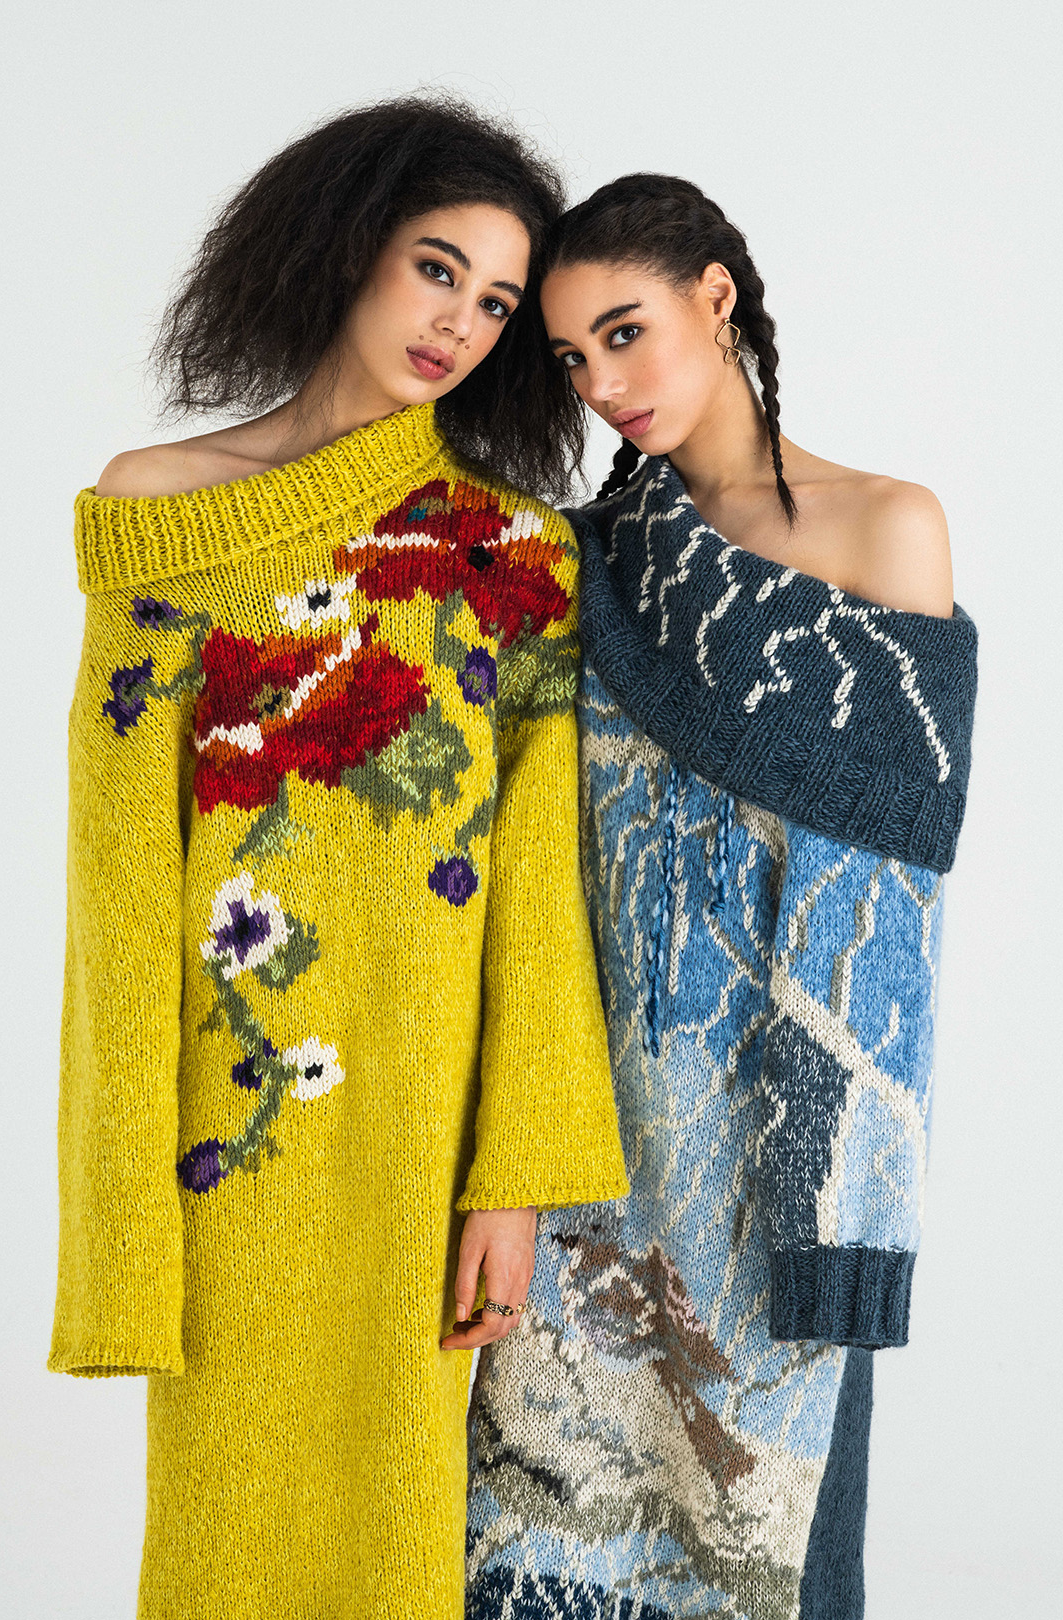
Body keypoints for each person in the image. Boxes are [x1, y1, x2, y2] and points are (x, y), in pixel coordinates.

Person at [49, 97, 629, 1620]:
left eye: (495, 302)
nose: (458, 324)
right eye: (438, 269)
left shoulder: (516, 554)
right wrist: (124, 1228)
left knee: (398, 1545)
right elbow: (119, 891)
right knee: (220, 1542)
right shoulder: (160, 511)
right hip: (235, 1131)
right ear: (346, 244)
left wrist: (517, 1178)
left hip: (425, 1143)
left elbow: (540, 889)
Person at [466, 174, 978, 1620]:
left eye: (625, 333)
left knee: (766, 1553)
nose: (602, 384)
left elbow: (887, 920)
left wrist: (846, 1222)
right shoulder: (586, 561)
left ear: (716, 298)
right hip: (587, 1141)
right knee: (539, 1544)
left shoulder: (889, 527)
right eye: (571, 358)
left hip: (775, 1163)